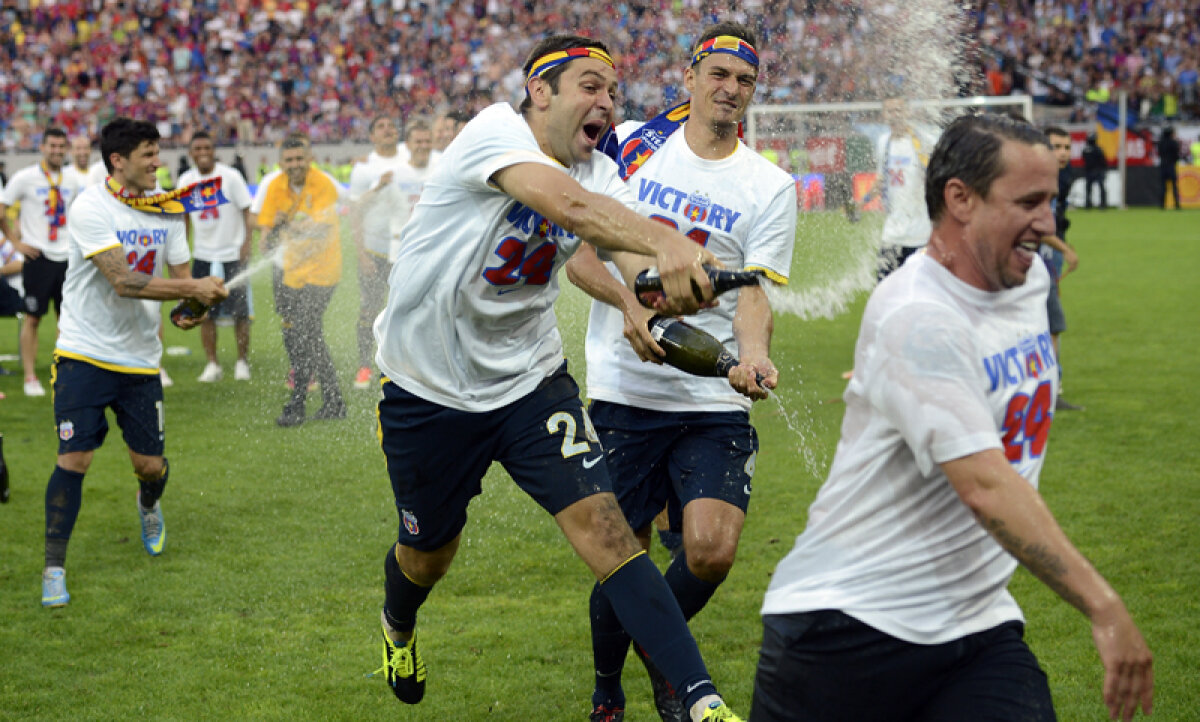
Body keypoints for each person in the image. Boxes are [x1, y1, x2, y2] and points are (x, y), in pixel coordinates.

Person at [371, 34, 743, 722]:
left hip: (529, 382)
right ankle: (397, 623)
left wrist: (657, 288)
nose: (607, 102)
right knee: (428, 555)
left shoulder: (604, 174)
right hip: (427, 391)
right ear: (541, 91)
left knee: (608, 534)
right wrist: (667, 244)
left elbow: (625, 253)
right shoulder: (495, 131)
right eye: (590, 87)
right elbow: (567, 210)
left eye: (612, 90)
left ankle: (701, 701)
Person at [750, 114, 1153, 722]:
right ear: (959, 198)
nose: (1048, 222)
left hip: (975, 622)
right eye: (1029, 202)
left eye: (1052, 199)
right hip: (847, 627)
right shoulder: (919, 313)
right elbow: (986, 487)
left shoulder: (1027, 276)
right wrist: (1104, 606)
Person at [564, 24, 795, 722]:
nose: (730, 90)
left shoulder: (770, 185)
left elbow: (754, 294)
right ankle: (611, 688)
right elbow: (577, 253)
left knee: (713, 550)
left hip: (713, 394)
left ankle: (666, 661)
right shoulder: (629, 145)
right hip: (625, 387)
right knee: (623, 559)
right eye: (718, 74)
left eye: (745, 81)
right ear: (689, 76)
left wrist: (751, 355)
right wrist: (628, 302)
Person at [40, 117, 228, 608]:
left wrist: (196, 307)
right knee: (74, 459)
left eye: (157, 153)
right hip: (82, 352)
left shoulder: (167, 210)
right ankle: (53, 568)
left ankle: (148, 502)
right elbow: (122, 280)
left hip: (141, 359)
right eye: (148, 154)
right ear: (117, 161)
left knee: (149, 466)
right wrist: (192, 289)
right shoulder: (89, 207)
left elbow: (182, 283)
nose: (158, 163)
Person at [257, 133, 346, 427]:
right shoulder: (274, 187)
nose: (295, 164)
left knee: (306, 330)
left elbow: (319, 229)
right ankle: (334, 400)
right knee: (299, 334)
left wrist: (286, 223)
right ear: (281, 162)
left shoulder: (322, 183)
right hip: (291, 271)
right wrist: (276, 228)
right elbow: (265, 242)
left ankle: (297, 404)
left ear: (309, 159)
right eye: (289, 160)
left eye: (300, 159)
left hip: (323, 270)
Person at [348, 117, 434, 390]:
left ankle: (412, 366)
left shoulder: (438, 165)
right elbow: (356, 209)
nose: (422, 145)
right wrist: (361, 254)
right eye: (381, 126)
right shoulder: (375, 170)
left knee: (417, 311)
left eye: (426, 141)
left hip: (418, 253)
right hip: (379, 250)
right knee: (370, 308)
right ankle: (364, 365)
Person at [0, 128, 85, 397]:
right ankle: (29, 376)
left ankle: (65, 373)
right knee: (33, 318)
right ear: (43, 147)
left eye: (62, 146)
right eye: (53, 146)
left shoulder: (72, 178)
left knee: (68, 320)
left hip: (67, 257)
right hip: (38, 257)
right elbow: (2, 208)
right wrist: (15, 243)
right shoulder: (25, 177)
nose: (57, 151)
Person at [178, 131, 255, 382]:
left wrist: (246, 243)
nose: (202, 153)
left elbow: (247, 210)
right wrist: (182, 251)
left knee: (240, 313)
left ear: (214, 151)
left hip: (232, 253)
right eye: (197, 148)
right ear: (191, 153)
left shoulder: (230, 176)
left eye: (206, 148)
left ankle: (242, 362)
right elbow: (185, 218)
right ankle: (213, 364)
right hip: (202, 254)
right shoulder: (185, 180)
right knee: (204, 313)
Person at [866, 97, 939, 280]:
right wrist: (861, 202)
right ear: (884, 115)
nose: (895, 115)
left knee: (918, 294)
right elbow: (882, 179)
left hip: (919, 236)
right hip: (892, 235)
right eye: (890, 111)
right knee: (884, 290)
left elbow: (936, 177)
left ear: (907, 112)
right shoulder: (884, 143)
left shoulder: (921, 141)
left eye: (899, 110)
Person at [1041, 127, 1082, 412]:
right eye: (1056, 146)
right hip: (1037, 264)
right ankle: (1050, 392)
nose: (1063, 152)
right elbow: (1033, 223)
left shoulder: (1058, 179)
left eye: (1067, 147)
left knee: (1048, 326)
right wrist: (1065, 249)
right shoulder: (1039, 182)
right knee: (1053, 326)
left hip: (1047, 262)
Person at [1157, 126, 1182, 210]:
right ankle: (1176, 205)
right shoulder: (1173, 142)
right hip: (1171, 166)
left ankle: (1162, 205)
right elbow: (1176, 155)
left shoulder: (1161, 142)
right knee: (1174, 186)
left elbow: (1159, 153)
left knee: (1163, 187)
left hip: (1163, 166)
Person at [1082, 134, 1108, 209]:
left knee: (1089, 188)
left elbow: (1084, 159)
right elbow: (1103, 160)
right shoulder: (1098, 149)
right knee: (1100, 187)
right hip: (1098, 170)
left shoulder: (1085, 150)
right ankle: (1102, 205)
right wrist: (1104, 169)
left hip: (1090, 171)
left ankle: (1088, 204)